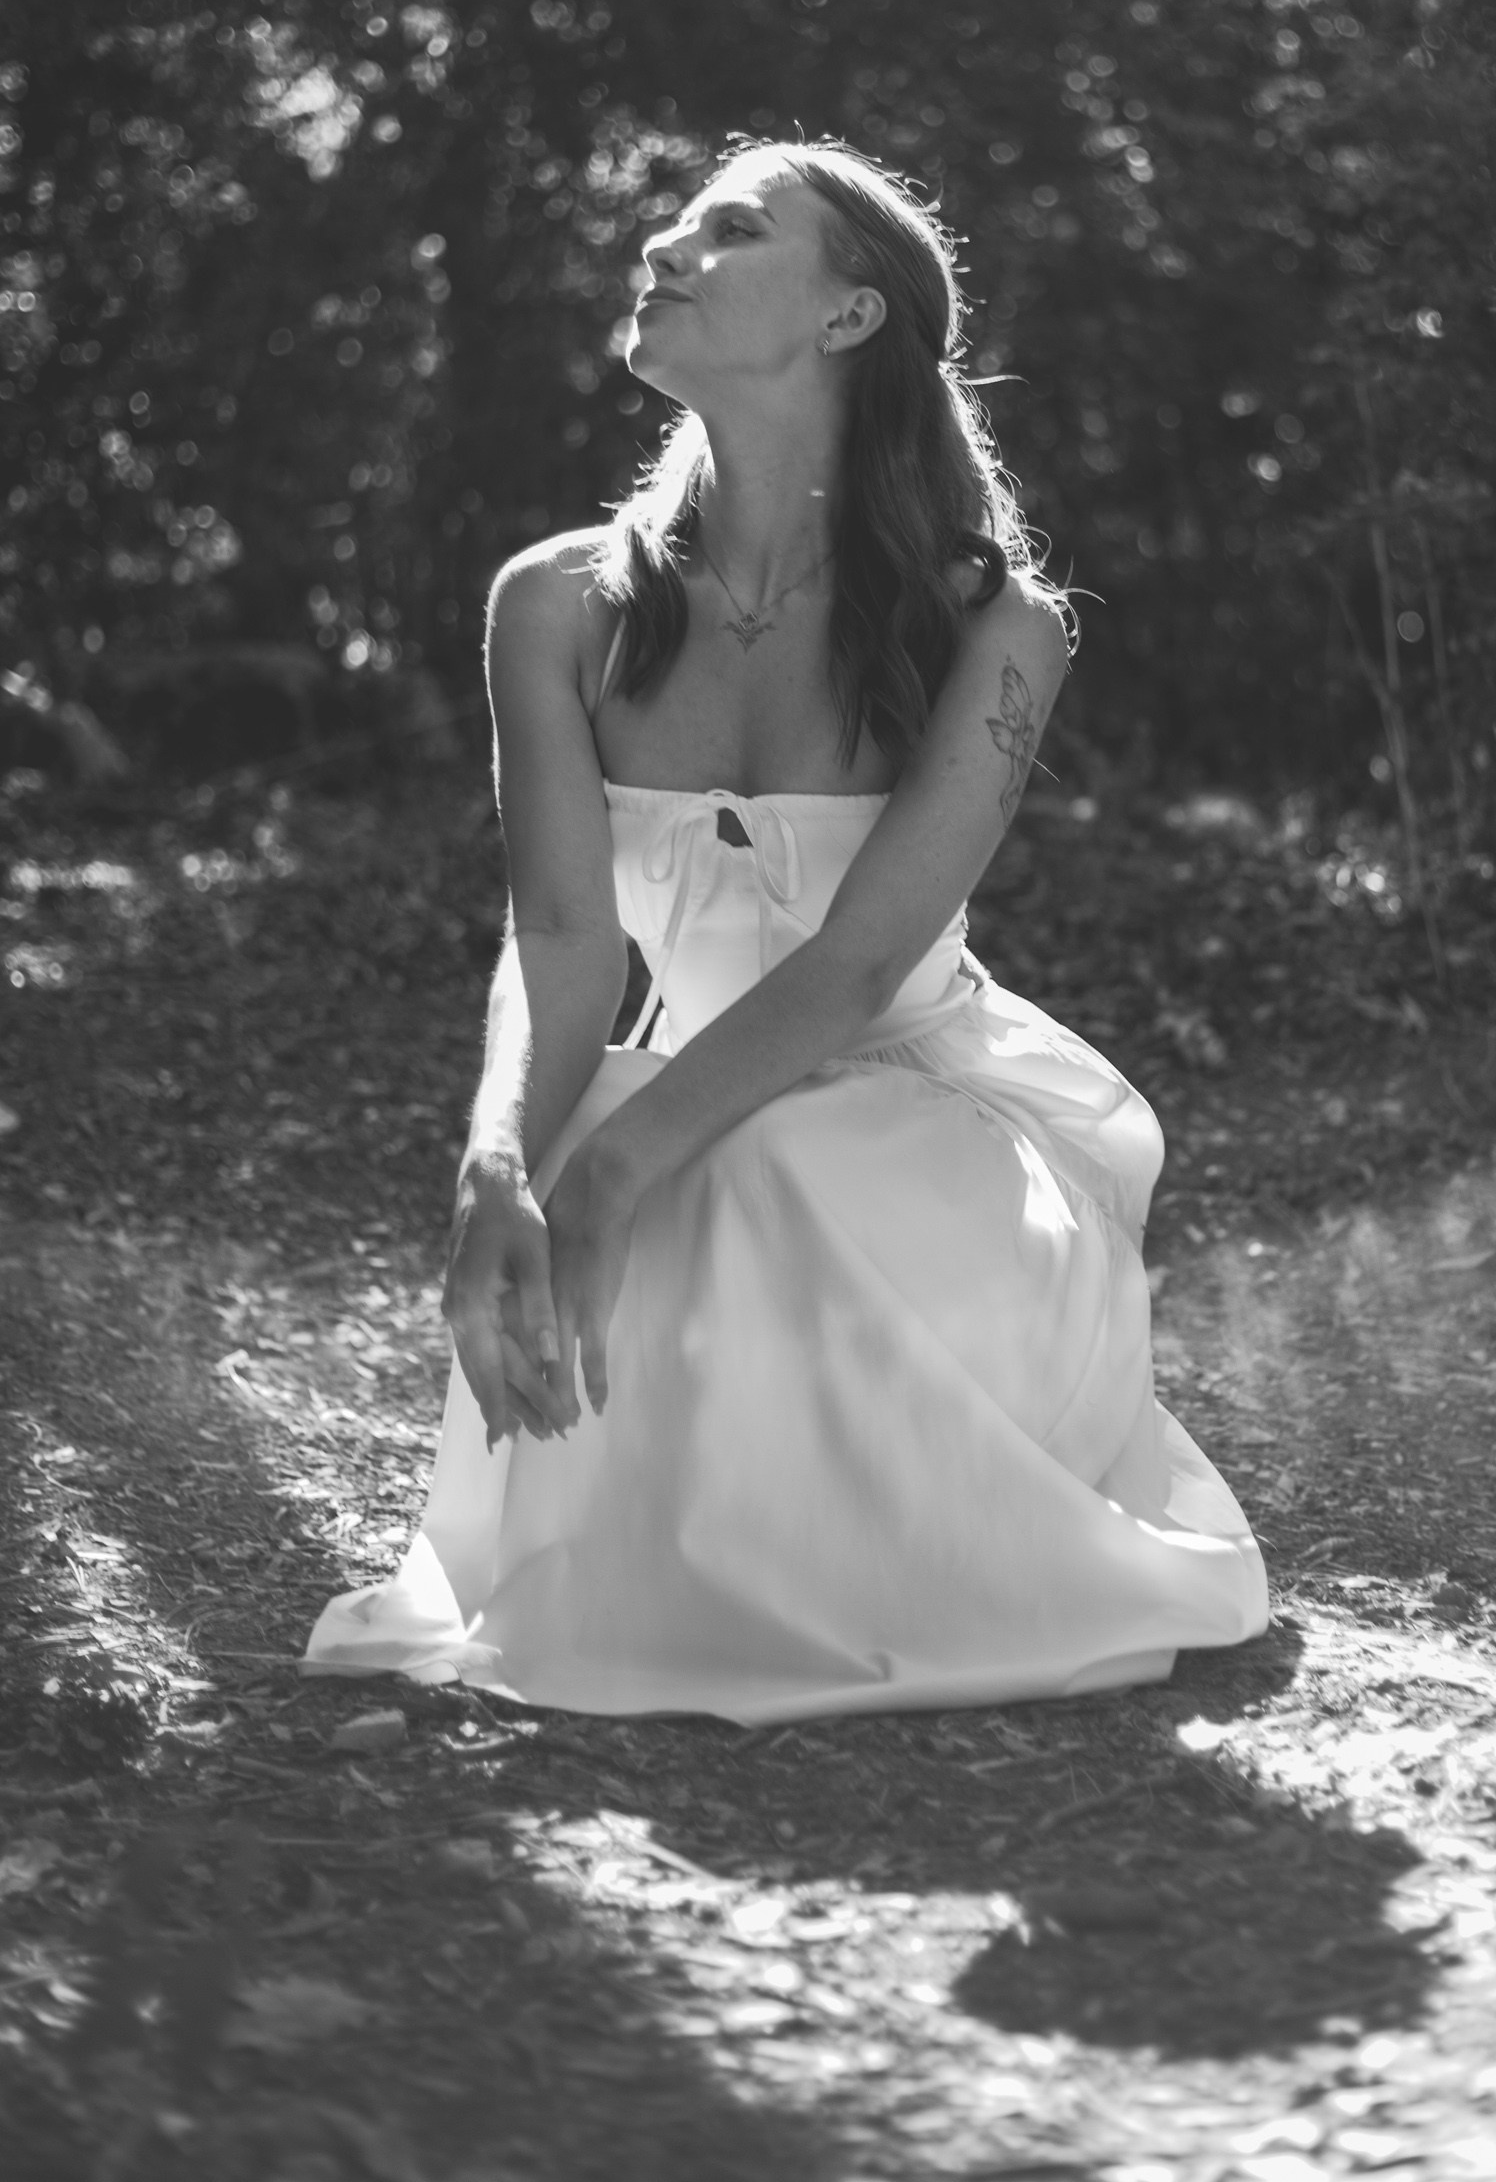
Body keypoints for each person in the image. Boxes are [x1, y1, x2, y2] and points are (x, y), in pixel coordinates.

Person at [304, 139, 1267, 1720]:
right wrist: (498, 1171)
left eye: (731, 229)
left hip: (927, 1123)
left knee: (739, 1166)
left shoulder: (996, 626)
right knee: (656, 1161)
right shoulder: (556, 604)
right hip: (673, 1093)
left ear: (848, 314)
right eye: (673, 226)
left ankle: (858, 1558)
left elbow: (857, 967)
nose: (662, 249)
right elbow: (563, 941)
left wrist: (609, 1174)